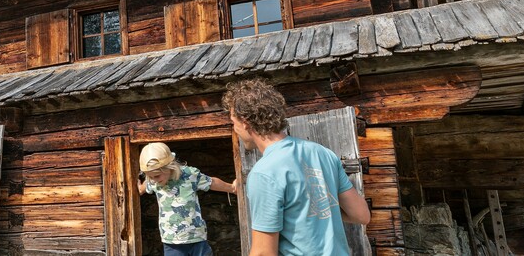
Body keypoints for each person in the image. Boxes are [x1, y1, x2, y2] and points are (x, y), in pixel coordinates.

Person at [222, 79, 371, 256]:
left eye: (233, 122)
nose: (235, 129)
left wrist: (304, 214)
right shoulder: (323, 153)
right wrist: (314, 212)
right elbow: (361, 214)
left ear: (245, 122)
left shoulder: (264, 173)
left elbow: (263, 253)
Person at [137, 142, 237, 256]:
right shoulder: (153, 181)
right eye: (149, 177)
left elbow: (211, 182)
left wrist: (232, 188)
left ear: (169, 167)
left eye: (156, 176)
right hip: (171, 242)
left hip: (196, 237)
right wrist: (140, 189)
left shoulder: (189, 175)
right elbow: (145, 186)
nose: (153, 180)